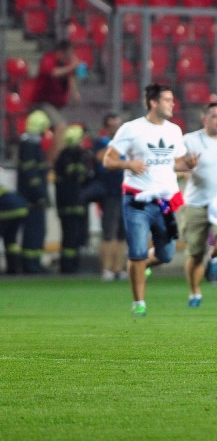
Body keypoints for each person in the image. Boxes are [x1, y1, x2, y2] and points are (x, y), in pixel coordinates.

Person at [103, 84, 192, 317]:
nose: (172, 104)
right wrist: (128, 164)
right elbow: (108, 161)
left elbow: (178, 162)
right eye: (167, 100)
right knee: (138, 251)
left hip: (164, 202)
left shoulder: (174, 130)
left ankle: (143, 265)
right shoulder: (131, 129)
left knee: (166, 254)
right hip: (137, 200)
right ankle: (138, 303)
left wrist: (188, 165)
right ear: (153, 103)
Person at [179, 102, 217, 307]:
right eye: (214, 116)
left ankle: (213, 255)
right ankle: (194, 292)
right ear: (204, 119)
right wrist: (185, 167)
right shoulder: (190, 140)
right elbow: (174, 164)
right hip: (195, 203)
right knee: (195, 254)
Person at [14, 110, 55, 274]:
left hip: (33, 198)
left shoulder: (29, 145)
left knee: (37, 231)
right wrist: (41, 195)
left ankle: (34, 263)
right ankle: (31, 265)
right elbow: (32, 176)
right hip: (32, 200)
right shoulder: (29, 146)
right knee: (34, 231)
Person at [93, 113, 126, 282]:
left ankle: (118, 268)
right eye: (113, 126)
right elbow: (100, 158)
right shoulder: (103, 143)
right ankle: (106, 269)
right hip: (110, 193)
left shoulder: (126, 144)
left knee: (121, 234)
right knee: (109, 233)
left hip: (125, 192)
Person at [53, 124, 90, 274]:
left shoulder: (65, 156)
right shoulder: (71, 157)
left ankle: (71, 265)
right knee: (71, 237)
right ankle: (69, 267)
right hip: (71, 205)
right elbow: (77, 178)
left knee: (74, 236)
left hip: (71, 204)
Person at [0, 168, 28, 274]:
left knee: (10, 239)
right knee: (11, 241)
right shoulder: (4, 188)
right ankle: (15, 268)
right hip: (21, 210)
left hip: (7, 212)